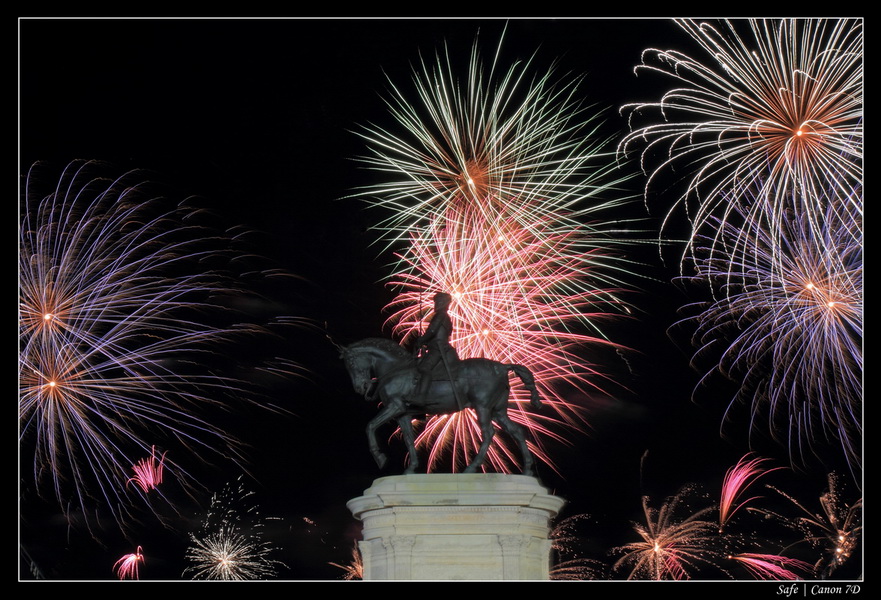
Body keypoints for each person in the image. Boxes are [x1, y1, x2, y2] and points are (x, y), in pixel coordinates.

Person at [412, 292, 460, 406]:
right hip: (438, 346)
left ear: (443, 303)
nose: (435, 304)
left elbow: (432, 331)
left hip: (438, 348)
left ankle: (421, 397)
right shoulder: (445, 316)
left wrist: (421, 340)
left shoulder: (441, 315)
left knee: (424, 368)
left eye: (438, 302)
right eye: (436, 302)